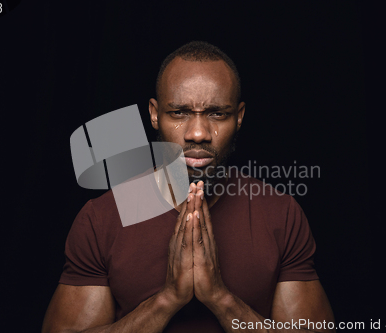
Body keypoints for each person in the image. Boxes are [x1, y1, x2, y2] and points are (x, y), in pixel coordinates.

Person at [42, 41, 335, 333]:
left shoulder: (280, 215)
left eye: (217, 113)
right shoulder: (102, 218)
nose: (198, 133)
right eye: (179, 113)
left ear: (240, 117)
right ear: (155, 115)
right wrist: (168, 300)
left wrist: (220, 298)